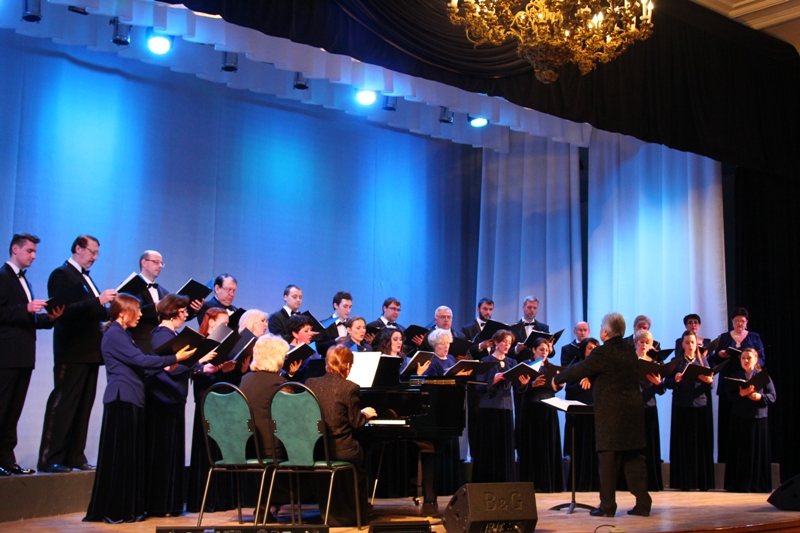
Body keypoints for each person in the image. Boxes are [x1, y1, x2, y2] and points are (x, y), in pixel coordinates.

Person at [84, 294, 195, 523]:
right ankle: (118, 509)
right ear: (123, 313)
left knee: (128, 455)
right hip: (122, 398)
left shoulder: (122, 334)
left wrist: (168, 365)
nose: (141, 314)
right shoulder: (115, 334)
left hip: (130, 398)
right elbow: (141, 360)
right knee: (122, 456)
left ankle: (127, 508)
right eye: (137, 310)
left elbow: (142, 365)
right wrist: (174, 358)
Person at [553, 312, 651, 518]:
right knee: (633, 459)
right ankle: (643, 504)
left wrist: (557, 379)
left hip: (611, 413)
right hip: (633, 412)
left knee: (607, 460)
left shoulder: (603, 352)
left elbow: (580, 368)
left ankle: (607, 506)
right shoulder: (629, 350)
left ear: (606, 332)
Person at [39, 235, 117, 473]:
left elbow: (95, 312)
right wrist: (98, 301)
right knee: (64, 403)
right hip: (71, 351)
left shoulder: (86, 278)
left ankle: (74, 455)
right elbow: (61, 312)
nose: (95, 257)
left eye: (97, 253)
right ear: (77, 249)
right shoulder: (61, 274)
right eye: (92, 252)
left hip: (90, 352)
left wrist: (111, 310)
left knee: (83, 406)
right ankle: (50, 457)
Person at [144, 294, 214, 516]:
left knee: (172, 452)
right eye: (183, 311)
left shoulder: (170, 334)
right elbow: (165, 368)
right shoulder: (161, 335)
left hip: (173, 398)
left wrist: (196, 365)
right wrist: (197, 362)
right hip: (163, 399)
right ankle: (160, 504)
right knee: (163, 453)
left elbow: (176, 366)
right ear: (172, 312)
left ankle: (170, 504)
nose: (186, 315)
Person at [0, 233, 61, 476]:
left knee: (13, 411)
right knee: (2, 408)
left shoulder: (24, 280)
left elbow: (28, 321)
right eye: (30, 251)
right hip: (6, 356)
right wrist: (25, 308)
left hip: (23, 355)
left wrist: (49, 318)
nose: (34, 256)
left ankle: (7, 459)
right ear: (15, 249)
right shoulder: (3, 277)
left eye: (35, 252)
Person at [305, 345, 377, 527]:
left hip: (317, 449)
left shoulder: (311, 383)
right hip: (341, 449)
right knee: (361, 458)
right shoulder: (350, 387)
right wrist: (365, 414)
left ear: (327, 363)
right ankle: (355, 514)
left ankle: (331, 512)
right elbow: (356, 424)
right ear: (348, 367)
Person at [186, 308, 242, 513]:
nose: (226, 327)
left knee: (221, 446)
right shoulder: (200, 343)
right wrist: (206, 366)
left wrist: (223, 368)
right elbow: (191, 370)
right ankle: (205, 500)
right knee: (206, 447)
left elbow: (219, 372)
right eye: (223, 323)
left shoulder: (223, 345)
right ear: (210, 323)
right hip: (206, 398)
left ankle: (221, 499)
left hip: (221, 397)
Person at [709, 306, 765, 464]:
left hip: (749, 381)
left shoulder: (754, 337)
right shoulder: (725, 337)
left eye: (742, 321)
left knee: (747, 418)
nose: (739, 323)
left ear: (747, 322)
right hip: (729, 383)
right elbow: (714, 360)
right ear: (732, 322)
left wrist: (751, 364)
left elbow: (762, 359)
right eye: (736, 321)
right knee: (728, 422)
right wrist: (720, 354)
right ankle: (728, 460)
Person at [472, 329, 528, 483]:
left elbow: (517, 388)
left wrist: (523, 384)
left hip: (506, 408)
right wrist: (493, 381)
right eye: (504, 341)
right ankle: (486, 480)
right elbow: (478, 387)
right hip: (489, 408)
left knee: (504, 446)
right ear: (496, 342)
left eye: (509, 343)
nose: (507, 345)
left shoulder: (512, 362)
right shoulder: (485, 361)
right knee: (489, 446)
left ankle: (505, 480)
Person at [665, 330, 715, 491]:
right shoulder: (676, 362)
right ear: (682, 345)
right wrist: (675, 380)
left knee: (699, 445)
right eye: (687, 343)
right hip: (682, 406)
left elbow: (711, 384)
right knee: (683, 445)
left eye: (692, 342)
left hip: (700, 406)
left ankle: (701, 482)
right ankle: (684, 482)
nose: (690, 345)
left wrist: (708, 381)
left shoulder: (703, 361)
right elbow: (667, 383)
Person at [128, 250, 203, 354]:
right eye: (156, 262)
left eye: (161, 263)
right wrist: (155, 306)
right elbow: (130, 313)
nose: (160, 266)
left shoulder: (164, 292)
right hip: (140, 343)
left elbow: (172, 316)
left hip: (162, 342)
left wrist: (193, 310)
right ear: (144, 263)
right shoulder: (131, 286)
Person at [724, 347, 776, 492]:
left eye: (749, 358)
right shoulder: (736, 376)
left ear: (756, 359)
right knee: (741, 453)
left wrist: (760, 397)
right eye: (743, 358)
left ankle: (757, 484)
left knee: (757, 453)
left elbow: (773, 396)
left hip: (758, 419)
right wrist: (741, 394)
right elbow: (729, 396)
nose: (746, 361)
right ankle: (740, 484)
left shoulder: (762, 376)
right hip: (740, 419)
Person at [518, 337, 564, 492]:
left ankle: (549, 484)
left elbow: (554, 388)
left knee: (548, 446)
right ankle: (533, 483)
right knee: (533, 447)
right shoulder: (526, 366)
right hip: (532, 409)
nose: (544, 352)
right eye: (541, 350)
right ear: (533, 350)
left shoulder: (551, 368)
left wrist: (559, 384)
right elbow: (519, 389)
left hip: (548, 409)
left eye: (546, 350)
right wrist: (531, 384)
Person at [563, 337, 600, 492]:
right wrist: (580, 382)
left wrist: (591, 378)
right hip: (580, 414)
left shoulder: (602, 369)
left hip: (597, 413)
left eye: (596, 348)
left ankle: (597, 484)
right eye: (590, 348)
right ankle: (579, 484)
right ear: (584, 350)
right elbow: (569, 390)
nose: (593, 351)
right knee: (579, 450)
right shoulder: (576, 368)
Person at [634, 329, 666, 491]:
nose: (644, 345)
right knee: (634, 446)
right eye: (641, 342)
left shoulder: (654, 364)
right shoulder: (630, 362)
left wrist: (658, 383)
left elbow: (661, 391)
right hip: (633, 409)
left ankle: (651, 481)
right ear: (636, 343)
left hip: (649, 408)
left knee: (650, 445)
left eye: (647, 343)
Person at [317, 291, 353, 357]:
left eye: (350, 307)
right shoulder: (323, 324)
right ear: (336, 305)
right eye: (345, 306)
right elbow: (319, 348)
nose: (348, 310)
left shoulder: (352, 324)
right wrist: (335, 341)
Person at [285, 314, 319, 381]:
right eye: (306, 331)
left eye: (310, 330)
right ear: (295, 334)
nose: (310, 333)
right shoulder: (288, 351)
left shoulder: (312, 348)